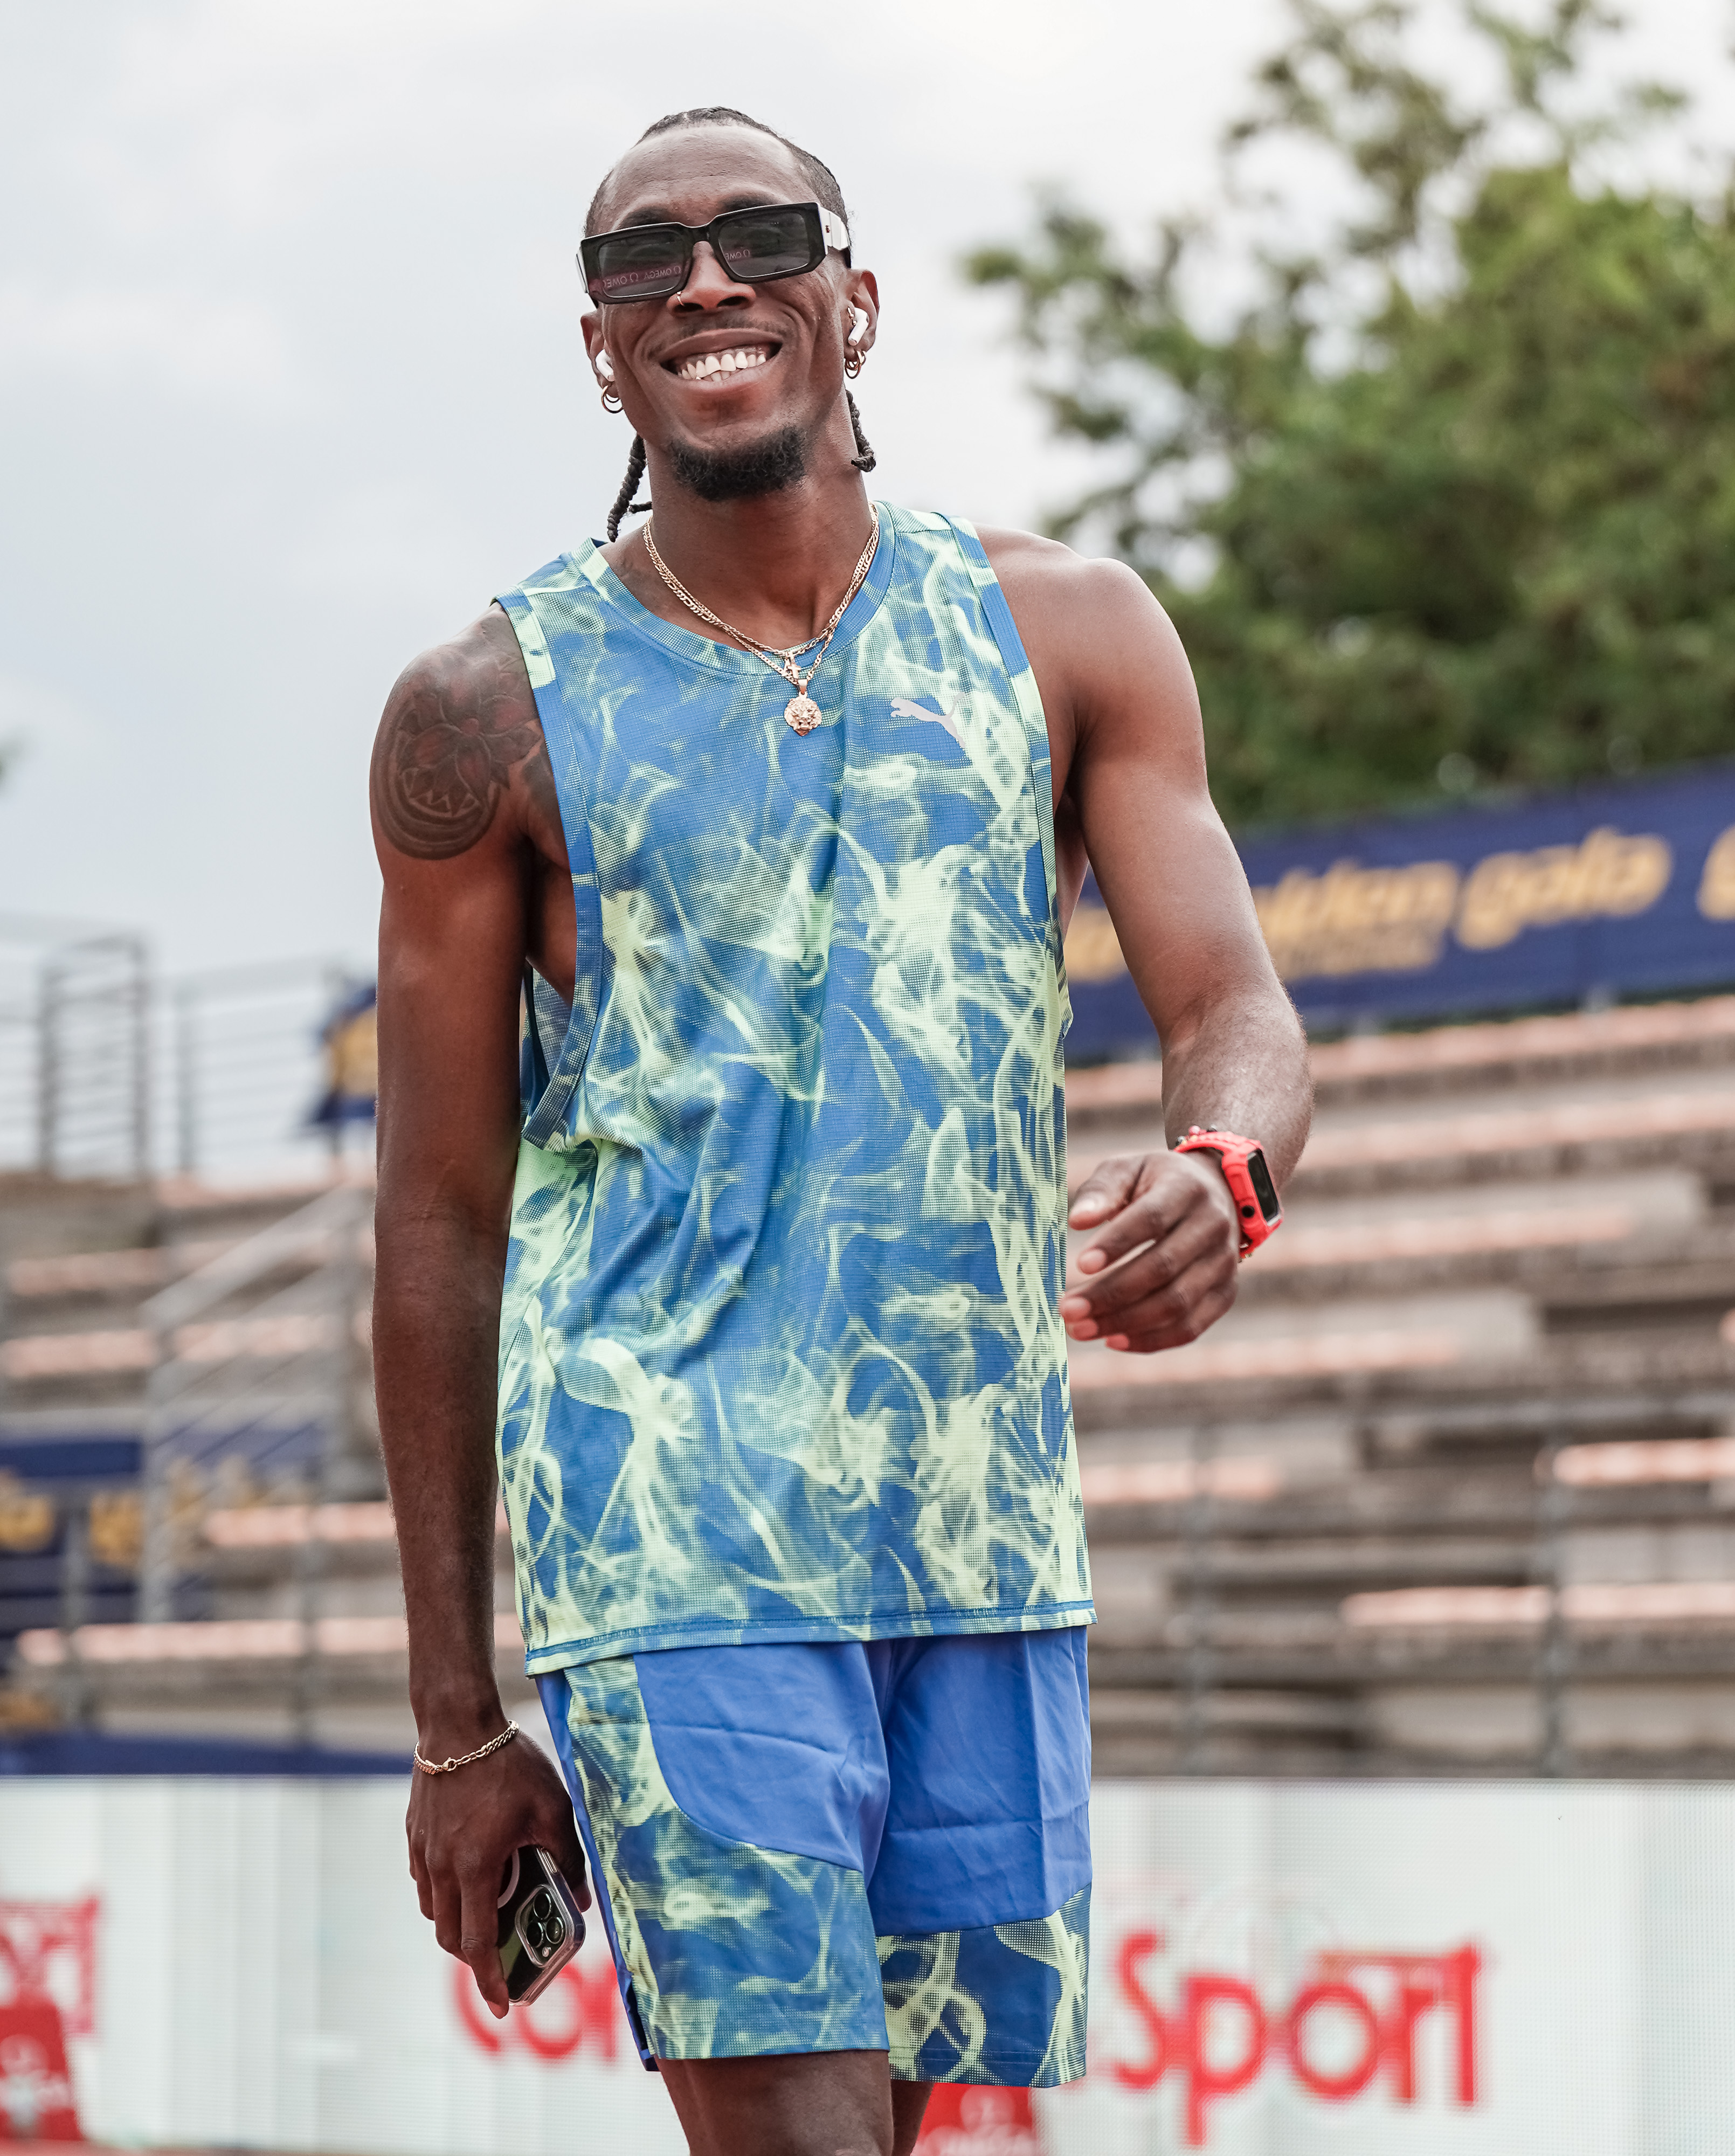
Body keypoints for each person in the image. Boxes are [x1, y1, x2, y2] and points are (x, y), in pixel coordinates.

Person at [370, 105, 1311, 2156]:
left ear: (853, 301)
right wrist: (458, 1721)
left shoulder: (1070, 631)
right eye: (641, 262)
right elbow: (439, 1221)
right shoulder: (482, 711)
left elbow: (1233, 1014)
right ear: (601, 349)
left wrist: (1223, 1169)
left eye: (759, 236)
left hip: (977, 1531)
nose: (703, 280)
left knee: (898, 2127)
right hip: (673, 1530)